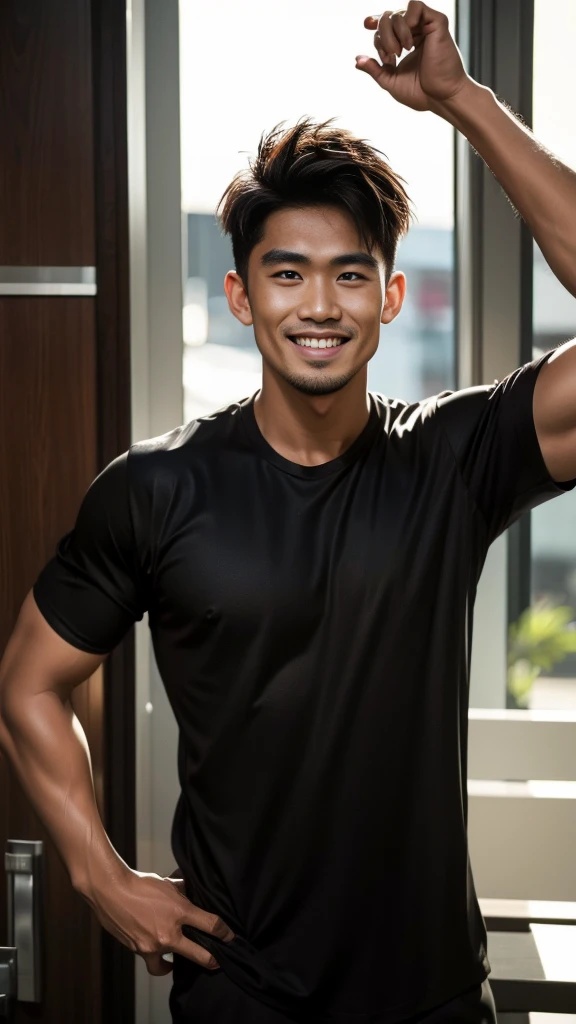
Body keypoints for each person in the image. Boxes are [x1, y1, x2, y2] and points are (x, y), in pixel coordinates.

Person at [2, 3, 576, 1022]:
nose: (321, 305)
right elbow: (30, 686)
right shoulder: (157, 490)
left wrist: (463, 101)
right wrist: (99, 874)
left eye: (351, 274)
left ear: (391, 296)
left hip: (434, 998)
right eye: (288, 272)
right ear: (239, 295)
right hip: (241, 997)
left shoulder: (454, 459)